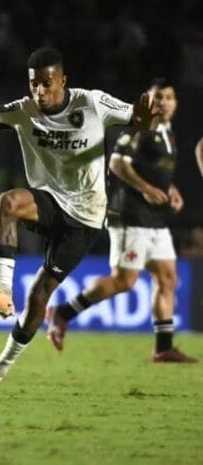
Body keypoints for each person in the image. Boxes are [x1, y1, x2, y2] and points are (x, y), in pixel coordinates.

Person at [0, 47, 157, 398]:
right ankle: (1, 292)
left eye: (46, 84)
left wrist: (148, 118)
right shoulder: (24, 110)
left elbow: (140, 120)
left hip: (86, 218)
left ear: (63, 81)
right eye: (34, 85)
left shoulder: (93, 103)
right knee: (9, 202)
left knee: (40, 295)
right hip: (49, 202)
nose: (39, 93)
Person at [47, 79, 196, 362]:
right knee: (124, 281)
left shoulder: (168, 133)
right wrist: (147, 189)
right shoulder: (141, 129)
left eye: (168, 97)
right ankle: (62, 312)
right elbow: (117, 162)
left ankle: (163, 347)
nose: (163, 102)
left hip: (155, 219)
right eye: (157, 97)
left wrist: (169, 190)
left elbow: (154, 171)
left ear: (175, 103)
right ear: (147, 101)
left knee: (167, 277)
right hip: (130, 216)